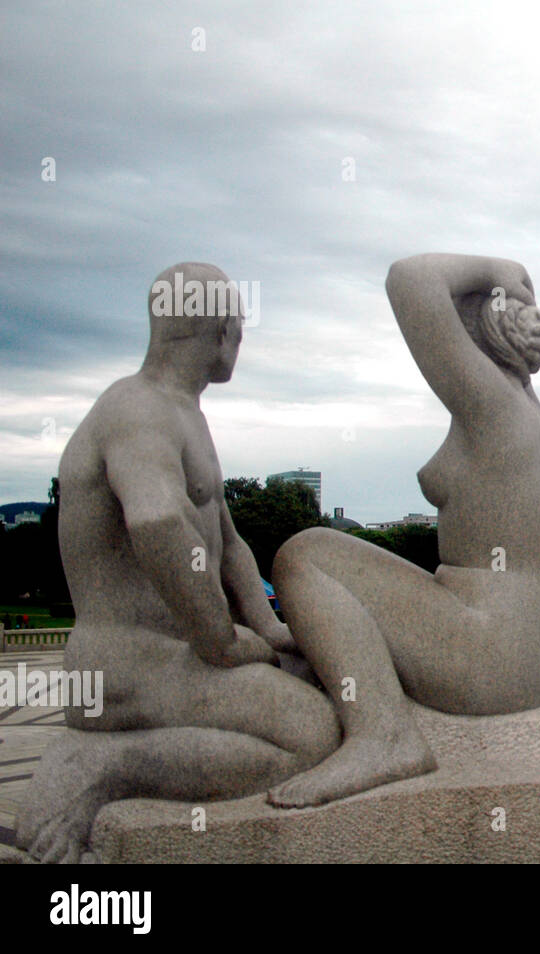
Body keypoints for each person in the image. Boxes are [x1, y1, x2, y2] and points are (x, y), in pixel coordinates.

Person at [18, 263, 339, 864]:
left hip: (173, 657)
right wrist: (217, 638)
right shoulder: (135, 409)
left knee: (322, 690)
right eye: (239, 329)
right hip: (130, 663)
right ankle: (105, 766)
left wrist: (268, 629)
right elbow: (158, 522)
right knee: (311, 735)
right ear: (221, 332)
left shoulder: (181, 411)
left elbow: (229, 541)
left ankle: (120, 759)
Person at [267, 253, 540, 808]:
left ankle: (384, 736)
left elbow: (409, 279)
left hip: (486, 651)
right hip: (510, 649)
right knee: (325, 571)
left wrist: (496, 270)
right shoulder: (523, 408)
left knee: (306, 556)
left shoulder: (492, 405)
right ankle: (362, 686)